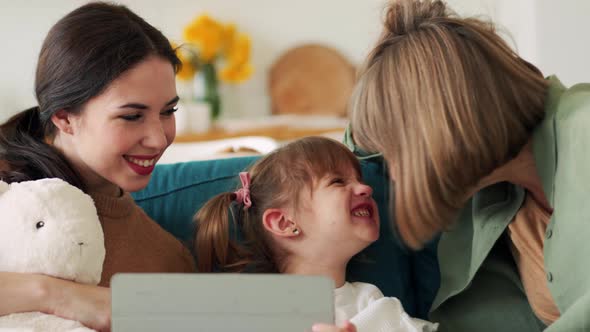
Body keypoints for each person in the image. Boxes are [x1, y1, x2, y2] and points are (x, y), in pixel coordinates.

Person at [349, 0, 590, 331]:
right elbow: (356, 150)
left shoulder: (583, 131)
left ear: (441, 127)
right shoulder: (495, 186)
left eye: (400, 152)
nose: (396, 172)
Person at [0, 3, 195, 331]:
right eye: (132, 116)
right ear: (63, 117)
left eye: (168, 111)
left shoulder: (167, 259)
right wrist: (55, 295)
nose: (159, 139)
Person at [194, 136, 438, 332]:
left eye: (359, 179)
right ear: (284, 222)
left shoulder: (372, 302)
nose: (366, 188)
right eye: (338, 182)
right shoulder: (258, 311)